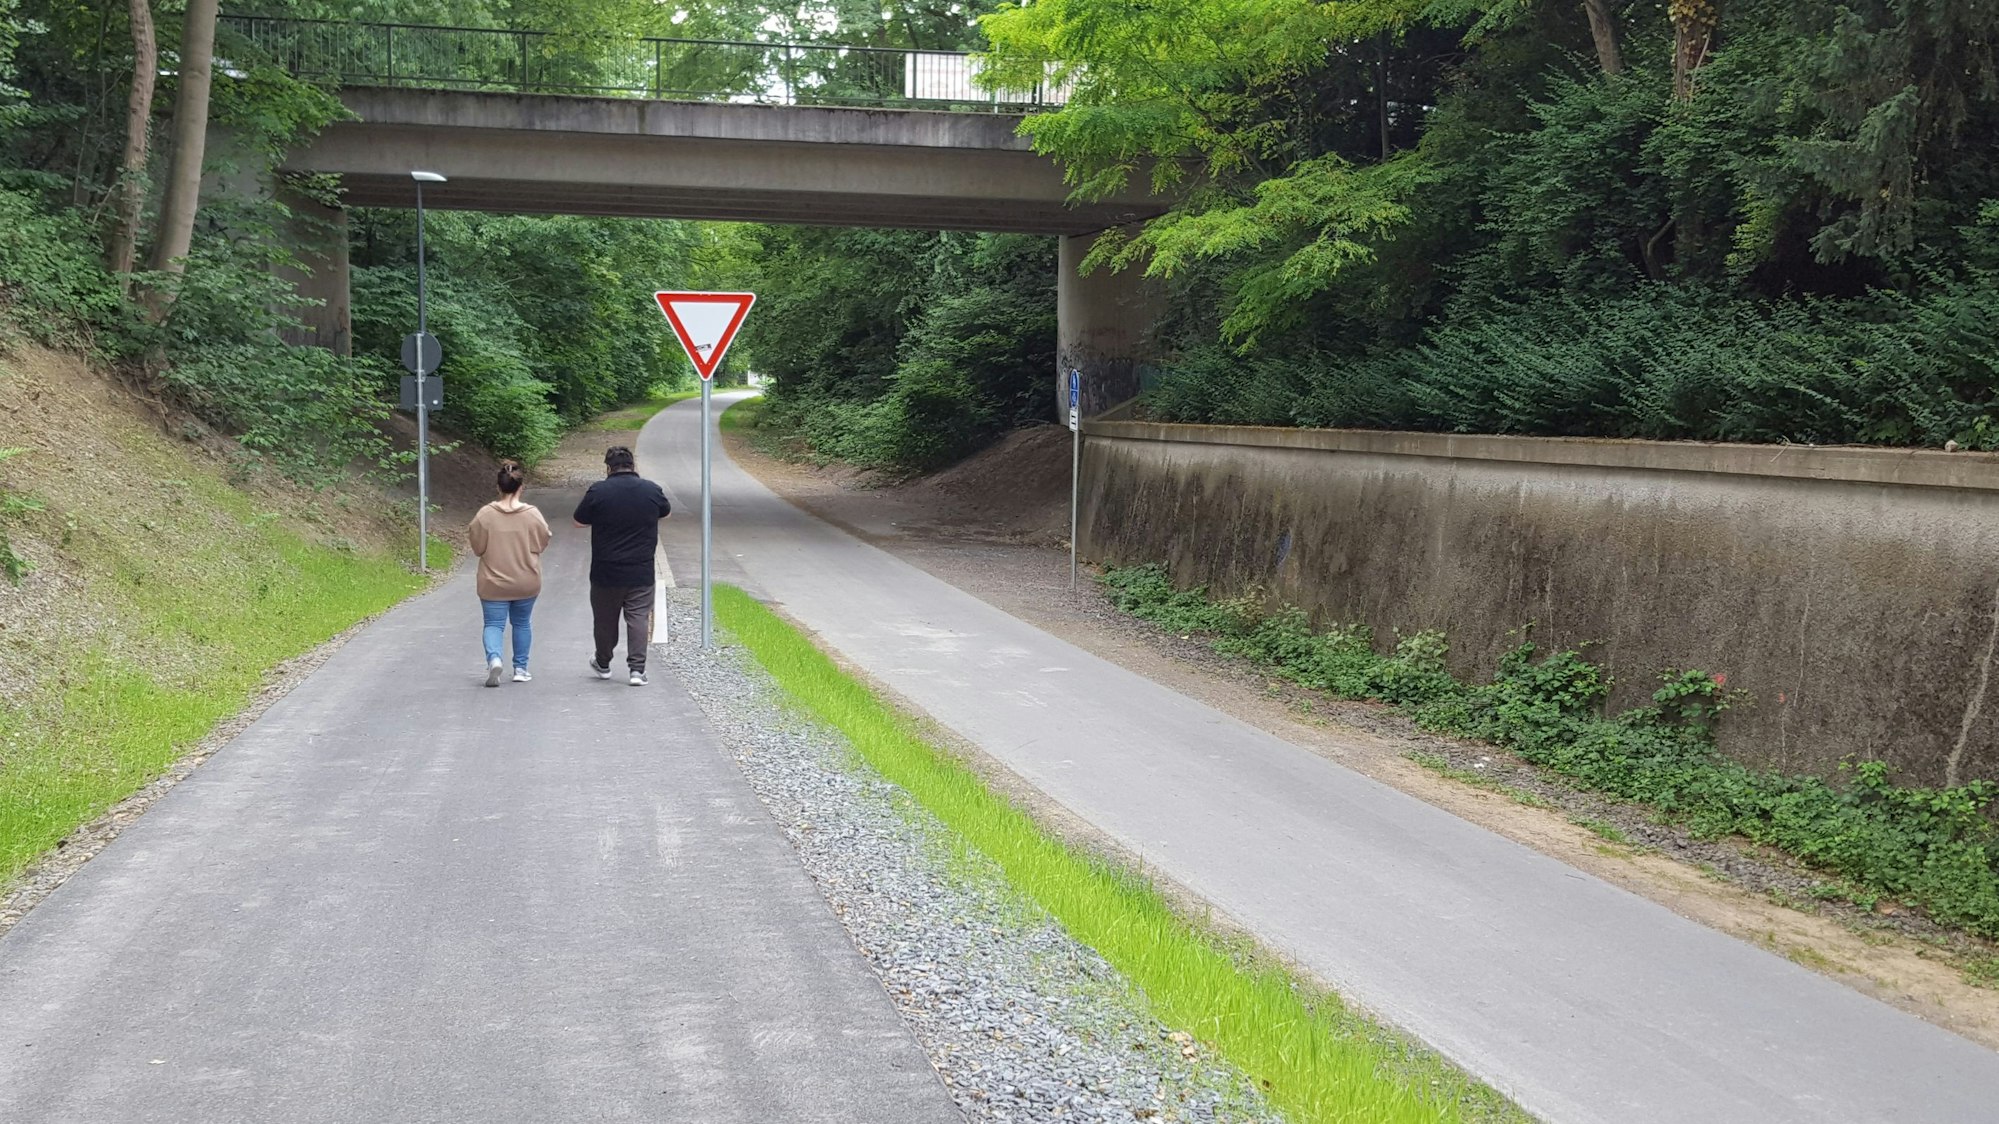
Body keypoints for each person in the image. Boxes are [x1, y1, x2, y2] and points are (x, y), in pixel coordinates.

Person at [573, 445, 671, 686]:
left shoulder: (598, 491)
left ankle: (603, 663)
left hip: (606, 570)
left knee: (605, 619)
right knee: (638, 618)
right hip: (641, 568)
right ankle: (637, 670)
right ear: (633, 465)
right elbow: (665, 513)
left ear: (608, 467)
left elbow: (578, 521)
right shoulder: (651, 490)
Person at [467, 460, 551, 687]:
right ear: (521, 487)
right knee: (522, 623)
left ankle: (494, 658)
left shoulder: (485, 515)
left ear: (498, 487)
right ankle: (521, 668)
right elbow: (542, 542)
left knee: (494, 624)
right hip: (526, 580)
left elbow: (477, 548)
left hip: (493, 582)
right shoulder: (532, 515)